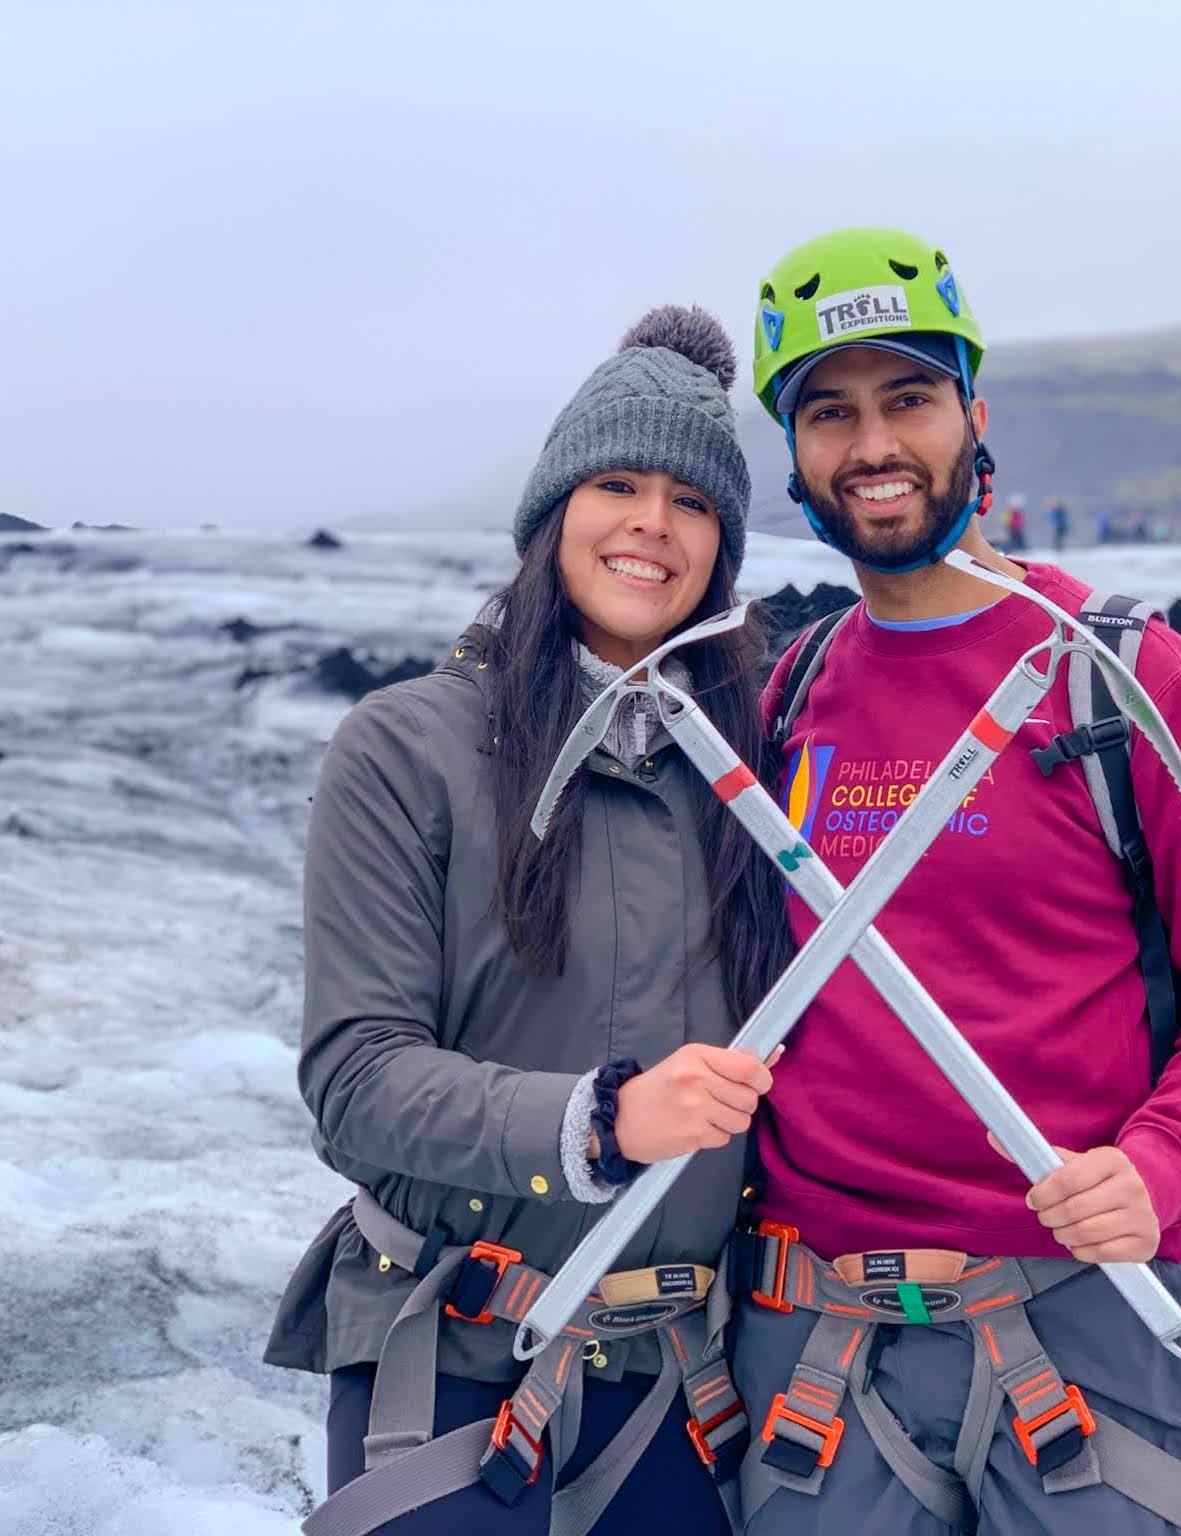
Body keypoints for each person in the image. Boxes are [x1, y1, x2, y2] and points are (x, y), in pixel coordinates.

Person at [733, 226, 1181, 1534]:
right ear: (792, 456)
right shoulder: (788, 692)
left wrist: (1164, 1166)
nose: (871, 445)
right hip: (816, 1351)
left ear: (971, 416)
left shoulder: (1118, 675)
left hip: (1086, 1326)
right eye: (828, 413)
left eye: (907, 398)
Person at [264, 307, 792, 1535]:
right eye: (616, 483)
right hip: (450, 1359)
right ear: (553, 512)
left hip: (687, 1389)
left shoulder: (768, 763)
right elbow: (355, 1078)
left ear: (722, 545)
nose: (650, 525)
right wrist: (598, 1120)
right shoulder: (404, 746)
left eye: (691, 501)